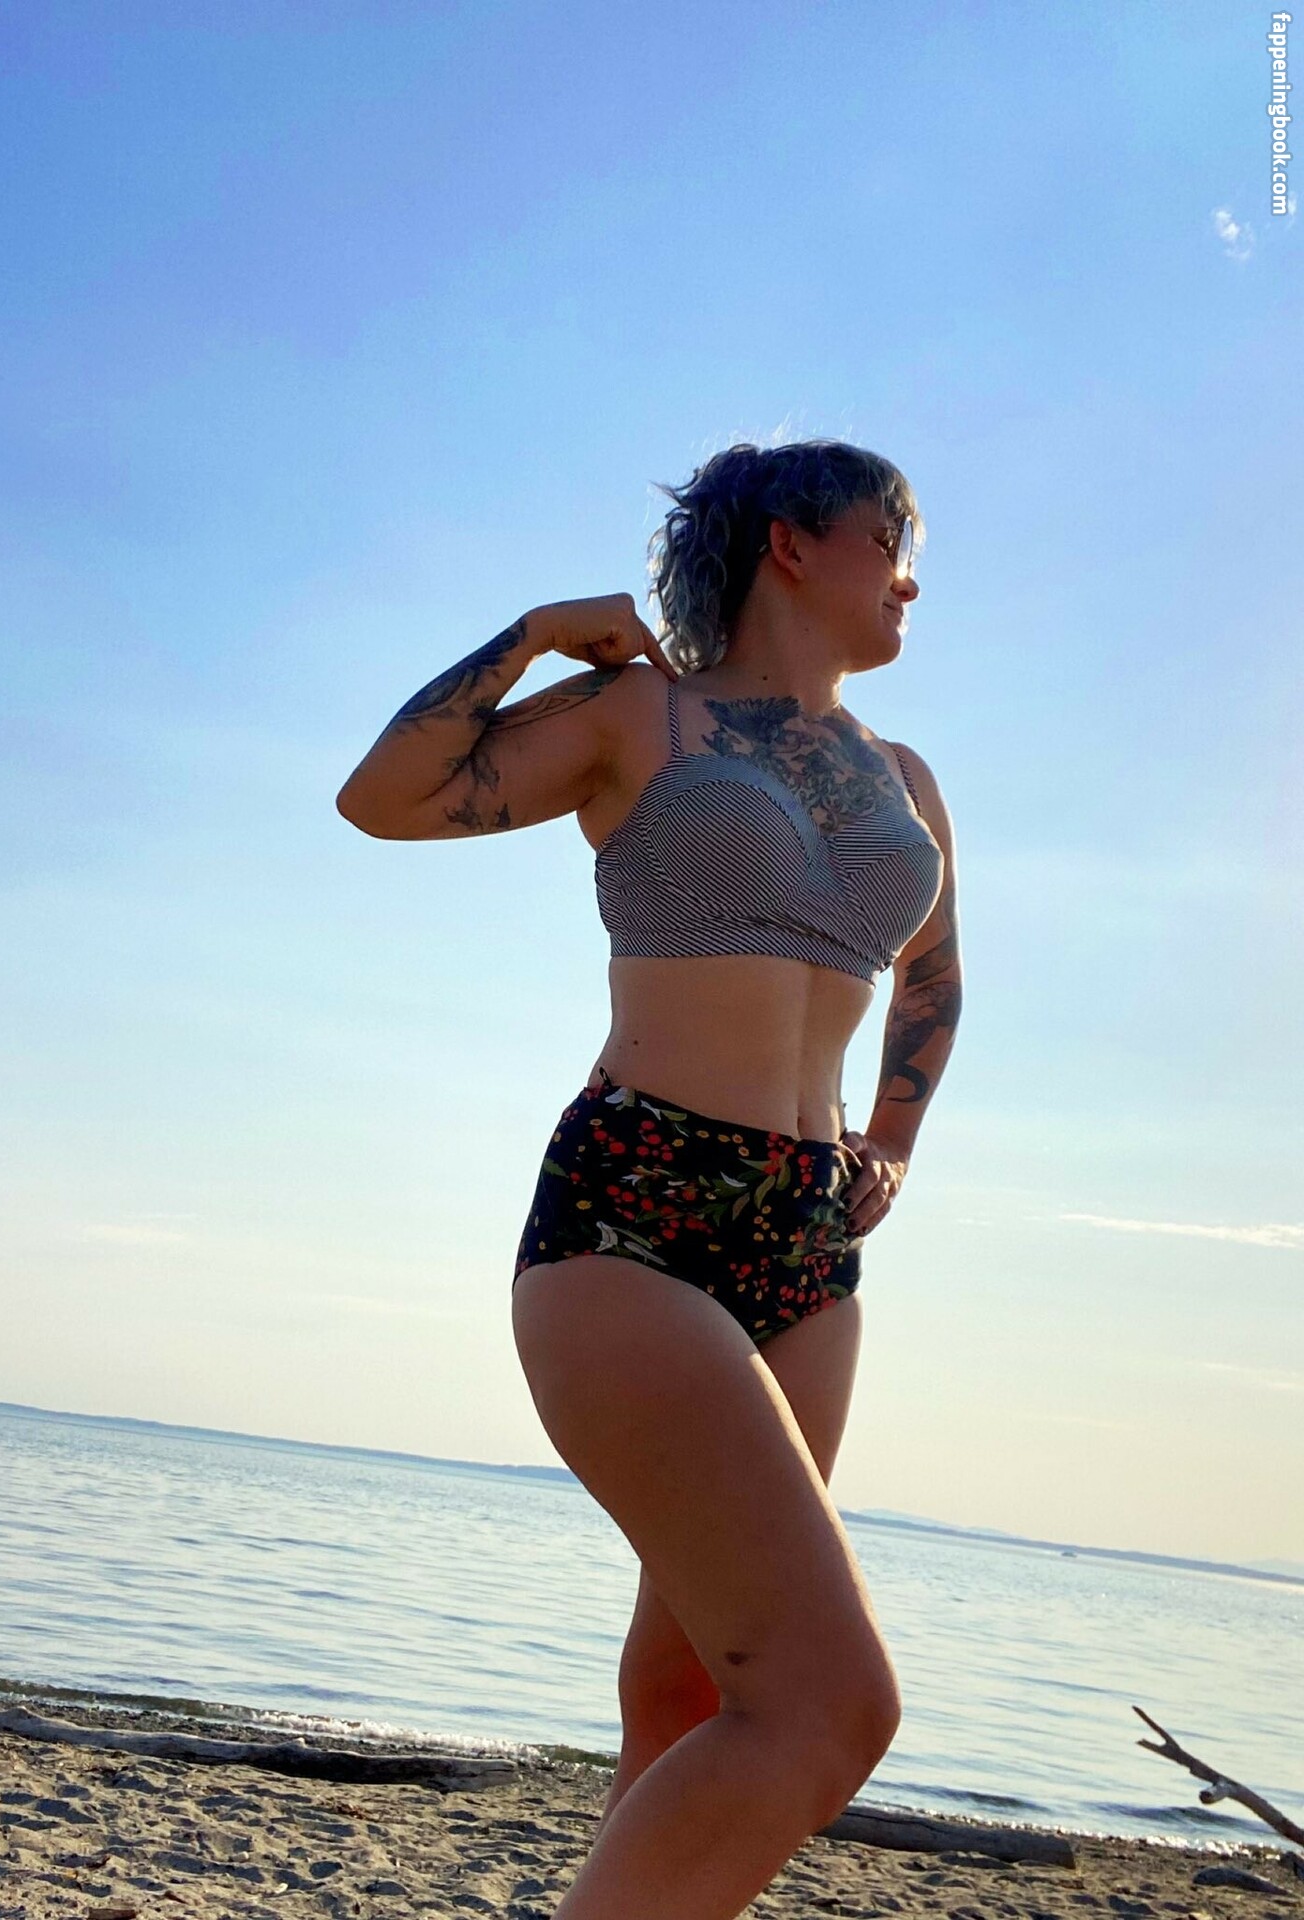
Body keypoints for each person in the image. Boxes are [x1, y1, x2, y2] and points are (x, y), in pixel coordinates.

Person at [336, 438, 963, 1920]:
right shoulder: (642, 715)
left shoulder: (905, 778)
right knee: (828, 1703)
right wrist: (538, 635)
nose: (912, 582)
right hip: (637, 1210)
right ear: (793, 543)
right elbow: (385, 796)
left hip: (809, 1249)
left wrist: (890, 1142)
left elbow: (934, 981)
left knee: (691, 1687)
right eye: (893, 544)